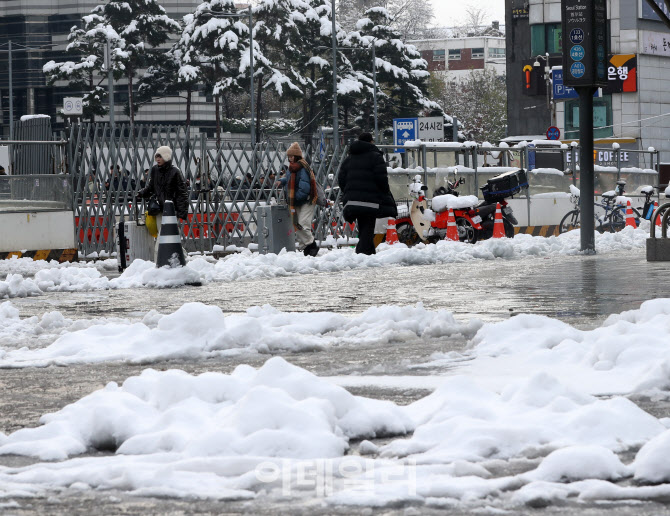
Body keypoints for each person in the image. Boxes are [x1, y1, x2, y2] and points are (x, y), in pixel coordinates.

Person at [339, 132, 397, 255]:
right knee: (368, 227)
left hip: (352, 199)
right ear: (371, 142)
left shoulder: (349, 159)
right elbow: (381, 178)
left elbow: (341, 178)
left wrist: (349, 191)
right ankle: (361, 253)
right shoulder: (376, 157)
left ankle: (370, 254)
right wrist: (384, 192)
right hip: (370, 200)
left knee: (364, 226)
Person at [137, 145, 189, 260]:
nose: (157, 159)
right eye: (156, 156)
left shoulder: (175, 172)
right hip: (159, 209)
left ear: (166, 156)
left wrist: (181, 212)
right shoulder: (155, 170)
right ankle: (183, 257)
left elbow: (182, 193)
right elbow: (151, 187)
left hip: (170, 209)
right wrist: (141, 193)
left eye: (159, 156)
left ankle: (158, 260)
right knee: (170, 236)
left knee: (163, 236)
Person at [276, 142, 319, 256]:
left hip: (306, 201)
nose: (290, 158)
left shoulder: (302, 167)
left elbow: (304, 187)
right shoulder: (292, 168)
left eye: (292, 156)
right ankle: (307, 248)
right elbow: (290, 179)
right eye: (289, 156)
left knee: (303, 224)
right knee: (297, 225)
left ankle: (312, 245)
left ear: (297, 156)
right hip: (297, 201)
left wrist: (296, 197)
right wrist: (283, 181)